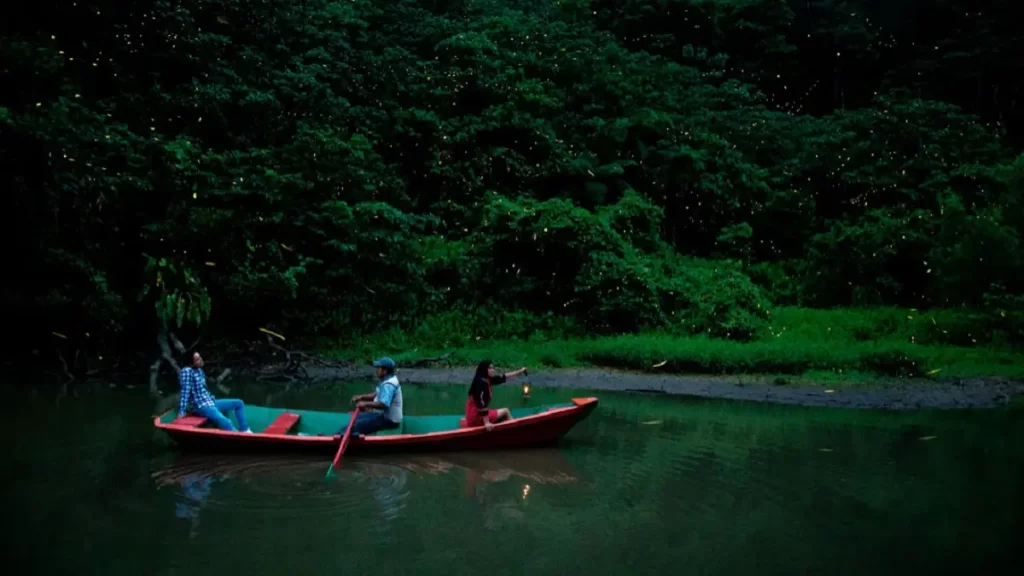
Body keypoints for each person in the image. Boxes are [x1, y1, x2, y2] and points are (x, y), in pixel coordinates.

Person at [178, 351, 253, 433]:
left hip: (210, 402)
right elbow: (185, 392)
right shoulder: (187, 371)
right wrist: (182, 411)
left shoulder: (199, 370)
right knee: (226, 421)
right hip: (201, 406)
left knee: (239, 403)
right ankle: (238, 436)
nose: (201, 359)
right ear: (191, 363)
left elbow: (203, 389)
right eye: (197, 359)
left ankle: (245, 430)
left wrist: (210, 397)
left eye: (200, 357)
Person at [341, 357, 403, 437]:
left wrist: (365, 404)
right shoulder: (387, 379)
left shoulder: (388, 385)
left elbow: (383, 404)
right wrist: (362, 397)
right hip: (382, 415)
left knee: (356, 426)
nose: (376, 370)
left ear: (385, 370)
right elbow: (377, 394)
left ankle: (344, 437)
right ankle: (348, 434)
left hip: (389, 420)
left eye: (378, 368)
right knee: (357, 418)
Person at [466, 360, 527, 431]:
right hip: (475, 417)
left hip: (476, 415)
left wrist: (520, 371)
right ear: (484, 369)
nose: (493, 370)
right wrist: (487, 423)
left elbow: (504, 376)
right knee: (506, 411)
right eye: (490, 368)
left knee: (502, 416)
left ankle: (508, 424)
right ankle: (515, 431)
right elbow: (481, 404)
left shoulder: (487, 379)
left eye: (493, 368)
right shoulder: (481, 383)